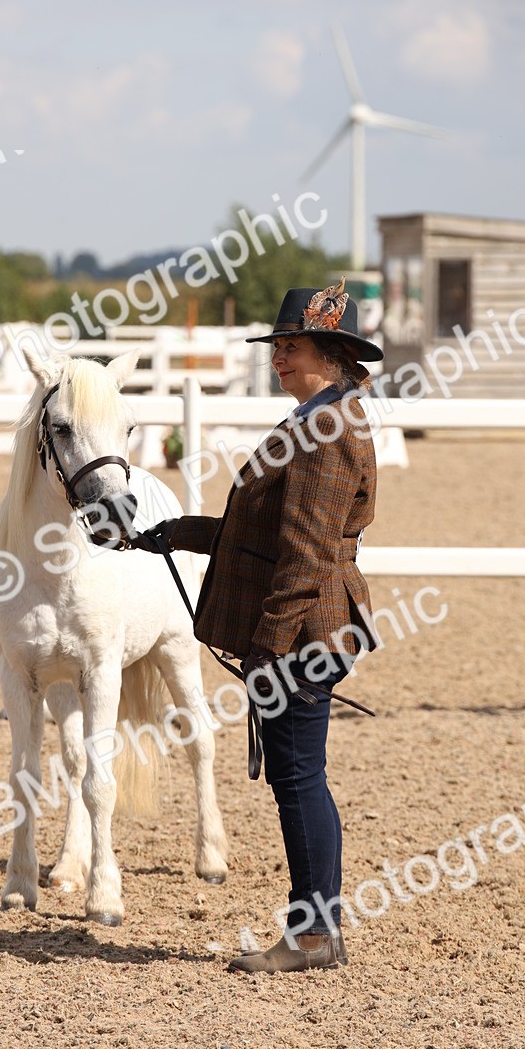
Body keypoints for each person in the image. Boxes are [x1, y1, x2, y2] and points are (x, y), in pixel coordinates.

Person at [133, 278, 384, 973]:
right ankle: (318, 929)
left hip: (305, 630)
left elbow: (303, 557)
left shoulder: (325, 429)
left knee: (298, 778)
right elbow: (263, 530)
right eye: (276, 346)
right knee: (303, 775)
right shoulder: (319, 415)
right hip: (310, 628)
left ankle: (311, 935)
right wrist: (173, 531)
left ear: (330, 351)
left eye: (291, 346)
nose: (278, 357)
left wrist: (268, 653)